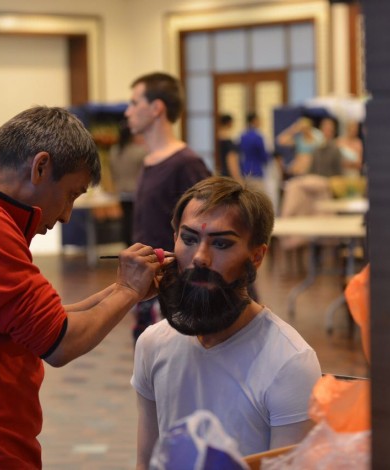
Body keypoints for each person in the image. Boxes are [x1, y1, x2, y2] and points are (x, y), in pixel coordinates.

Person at [0, 106, 169, 469]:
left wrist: (124, 289)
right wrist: (128, 291)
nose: (66, 215)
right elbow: (60, 342)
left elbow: (42, 320)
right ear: (40, 167)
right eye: (71, 194)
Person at [131, 176, 322, 466]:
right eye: (189, 239)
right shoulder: (153, 344)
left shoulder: (289, 363)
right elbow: (147, 462)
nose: (200, 258)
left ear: (256, 256)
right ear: (174, 241)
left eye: (221, 243)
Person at [125, 71, 211, 342]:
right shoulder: (149, 161)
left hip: (176, 290)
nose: (128, 112)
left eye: (134, 103)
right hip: (150, 285)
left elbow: (210, 226)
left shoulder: (186, 164)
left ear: (156, 108)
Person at [109, 121, 147, 245]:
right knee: (137, 221)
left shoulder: (114, 151)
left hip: (121, 191)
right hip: (136, 191)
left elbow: (113, 172)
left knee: (126, 220)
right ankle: (137, 244)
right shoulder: (139, 151)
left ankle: (127, 244)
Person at [238, 111, 271, 192]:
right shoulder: (258, 137)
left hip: (244, 170)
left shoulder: (242, 136)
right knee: (258, 195)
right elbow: (263, 155)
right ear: (254, 120)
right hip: (256, 170)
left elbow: (239, 154)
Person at [217, 113, 243, 182]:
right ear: (229, 123)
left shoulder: (216, 138)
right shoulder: (227, 140)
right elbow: (231, 160)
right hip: (228, 176)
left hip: (219, 174)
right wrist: (238, 179)